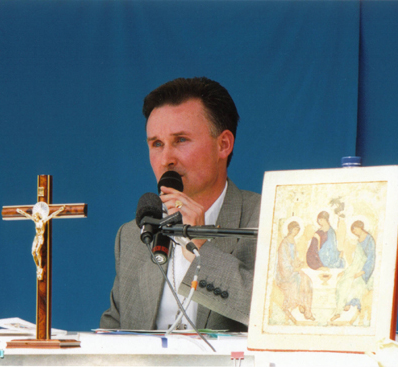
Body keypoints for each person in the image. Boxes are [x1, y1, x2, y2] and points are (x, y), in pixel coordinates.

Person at [100, 77, 261, 331]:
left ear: (224, 144)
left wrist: (200, 246)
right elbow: (111, 333)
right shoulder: (135, 235)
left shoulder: (268, 221)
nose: (166, 159)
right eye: (156, 144)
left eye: (181, 140)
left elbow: (278, 320)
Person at [330, 220, 376, 322]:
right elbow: (356, 260)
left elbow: (371, 259)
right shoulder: (359, 240)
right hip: (356, 267)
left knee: (355, 283)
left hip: (366, 271)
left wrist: (362, 272)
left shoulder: (369, 240)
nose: (354, 233)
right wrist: (346, 271)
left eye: (355, 230)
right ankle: (339, 310)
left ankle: (348, 303)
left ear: (360, 227)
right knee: (342, 282)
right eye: (353, 231)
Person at [275, 221, 314, 322]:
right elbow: (283, 262)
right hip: (285, 273)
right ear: (290, 229)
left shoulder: (293, 241)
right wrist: (293, 269)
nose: (296, 232)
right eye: (295, 229)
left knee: (307, 280)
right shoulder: (284, 243)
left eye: (298, 230)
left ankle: (307, 310)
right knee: (298, 280)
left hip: (293, 269)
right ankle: (296, 305)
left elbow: (294, 257)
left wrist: (298, 263)